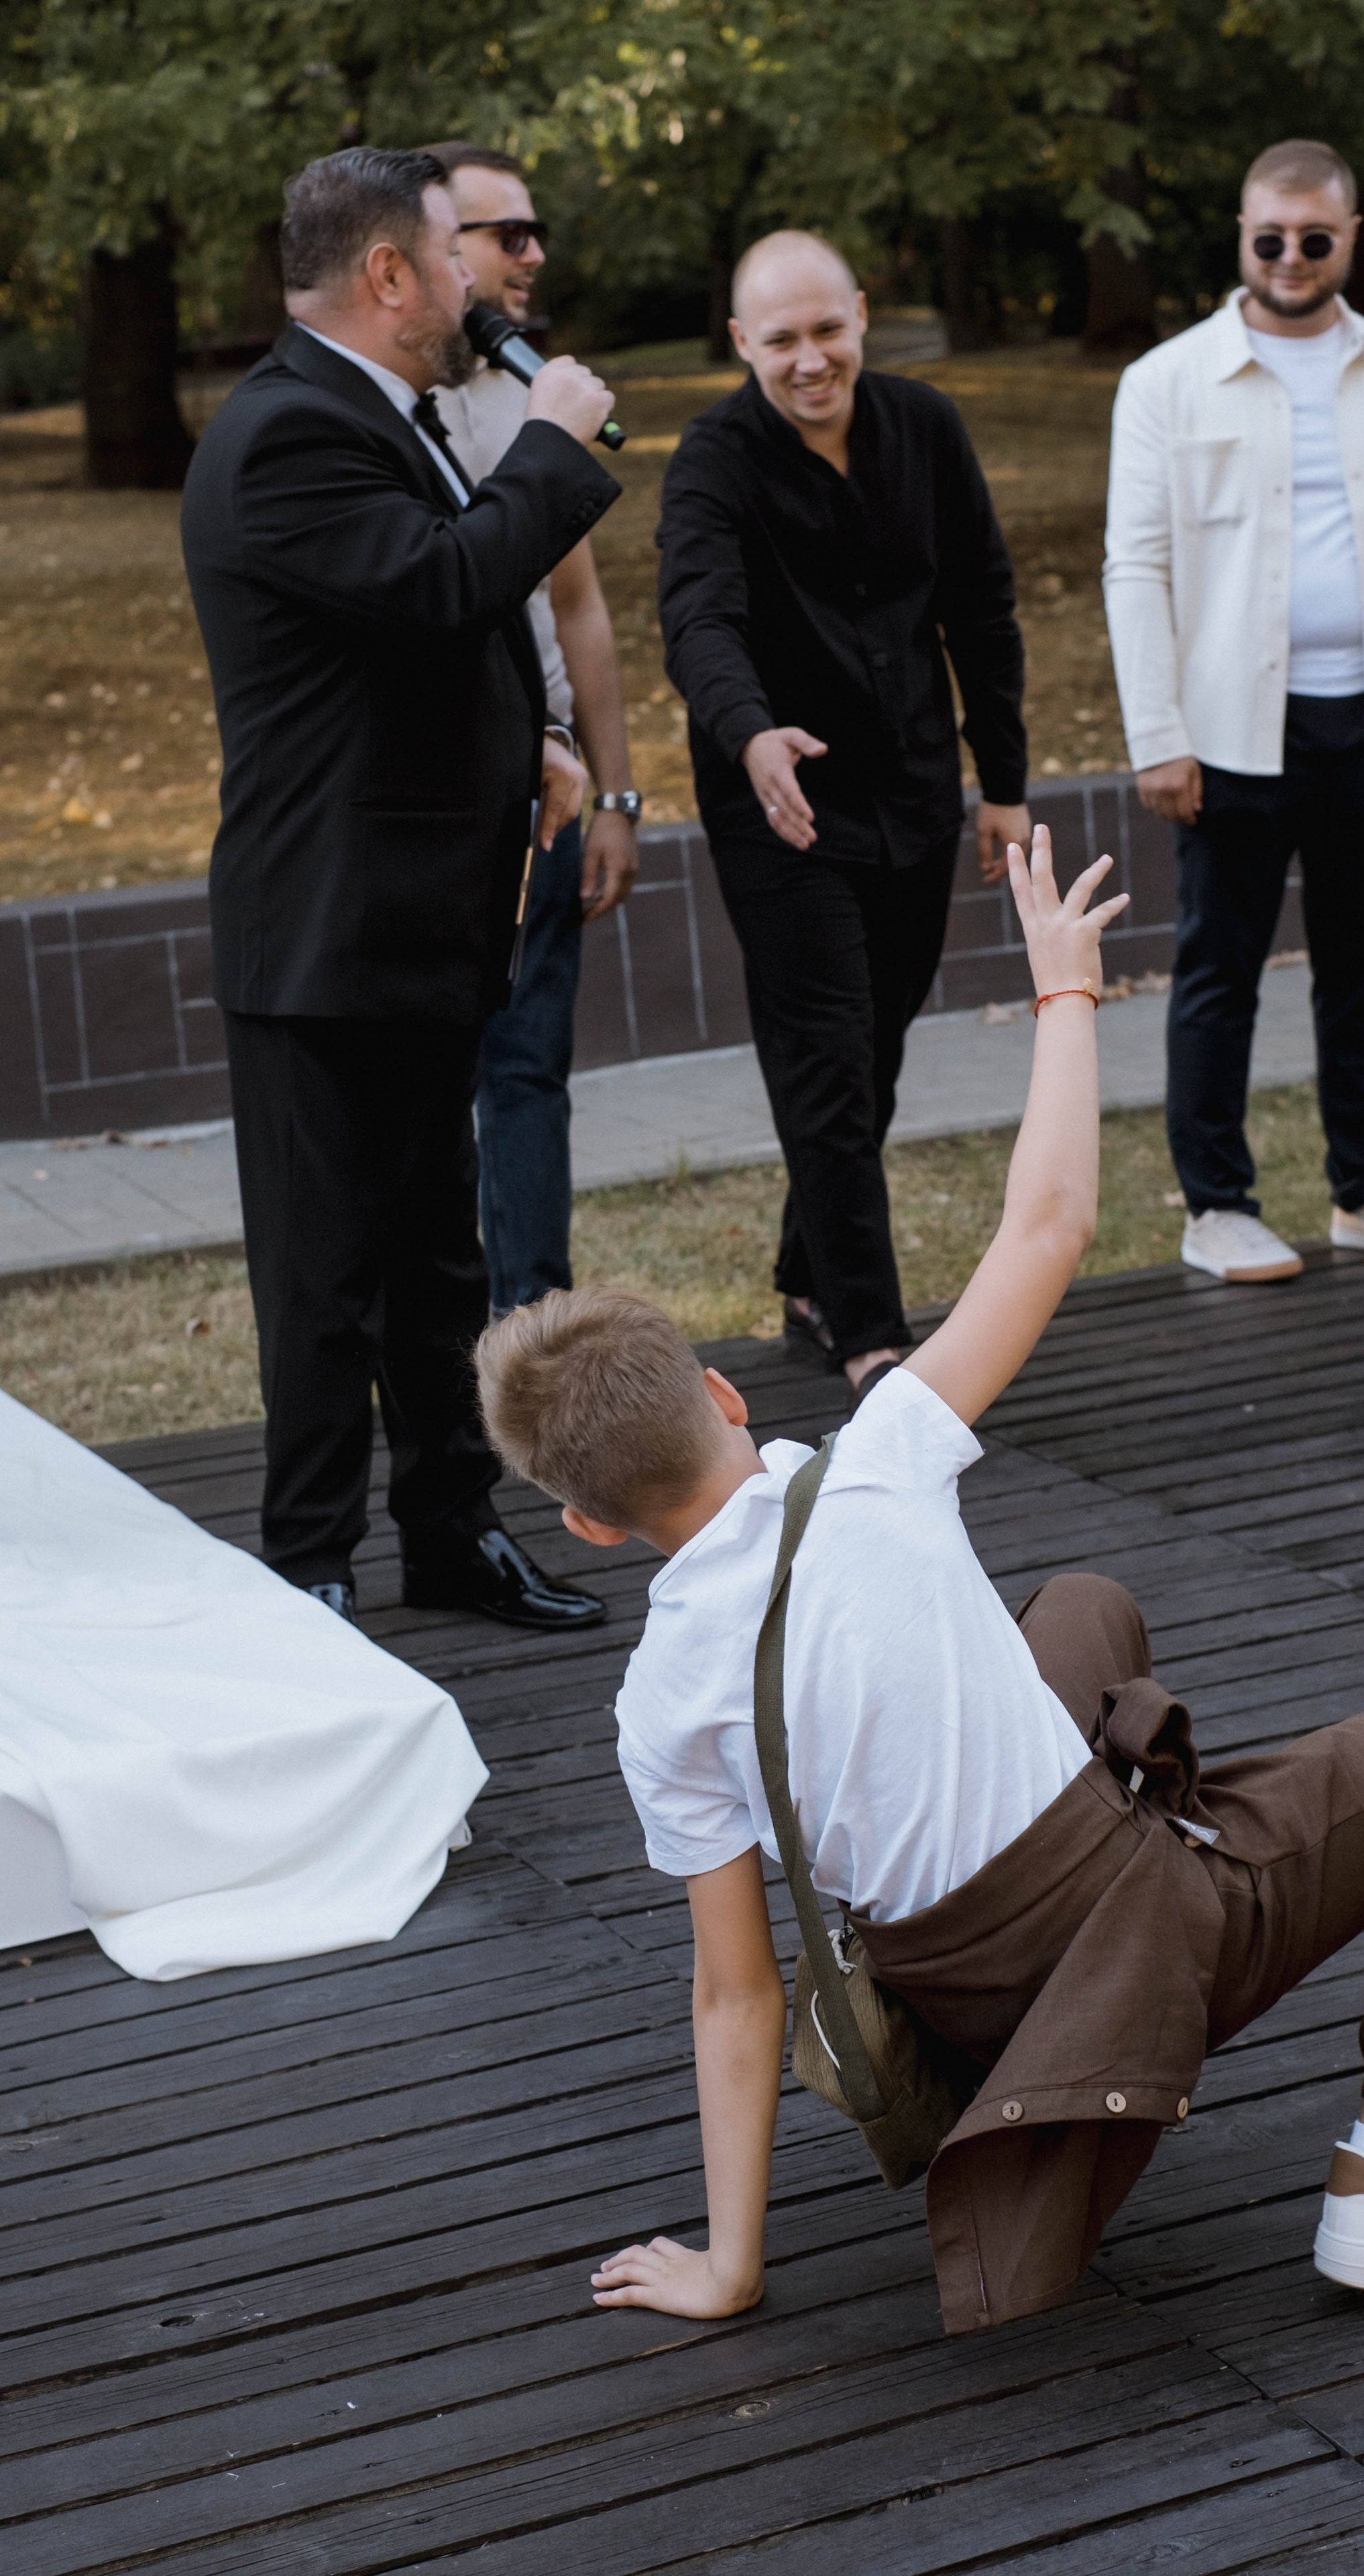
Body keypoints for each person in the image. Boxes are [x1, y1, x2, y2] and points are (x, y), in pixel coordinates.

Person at [475, 825, 1364, 2337]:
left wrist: (728, 2266)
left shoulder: (657, 1695)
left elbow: (733, 1993)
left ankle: (1124, 1886)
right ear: (727, 1398)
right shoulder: (874, 1461)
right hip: (1137, 1926)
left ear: (592, 1529)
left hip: (952, 1986)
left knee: (1082, 1605)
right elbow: (1048, 1223)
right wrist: (1063, 992)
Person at [181, 146, 620, 1632]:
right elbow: (444, 583)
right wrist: (550, 441)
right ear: (386, 276)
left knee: (439, 1260)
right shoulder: (287, 434)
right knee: (322, 1287)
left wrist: (539, 747)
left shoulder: (386, 413)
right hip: (324, 935)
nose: (476, 282)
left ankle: (451, 1536)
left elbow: (425, 636)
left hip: (423, 915)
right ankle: (308, 1573)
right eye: (451, 255)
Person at [1104, 139, 1364, 1285]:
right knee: (1219, 972)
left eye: (1312, 239)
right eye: (1267, 237)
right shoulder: (1167, 381)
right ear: (1241, 235)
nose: (1288, 258)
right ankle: (1215, 1204)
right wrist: (1157, 733)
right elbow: (1136, 567)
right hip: (1227, 735)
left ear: (1349, 238)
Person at [657, 231, 1031, 1398]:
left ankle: (807, 1267)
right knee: (824, 1057)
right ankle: (870, 1334)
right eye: (781, 341)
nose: (811, 360)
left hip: (915, 789)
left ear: (862, 315)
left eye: (829, 330)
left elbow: (982, 609)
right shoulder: (714, 462)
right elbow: (698, 621)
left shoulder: (927, 428)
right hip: (784, 808)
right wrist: (750, 729)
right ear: (741, 345)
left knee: (875, 1051)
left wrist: (1004, 783)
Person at [424, 142, 641, 1318]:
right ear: (425, 249)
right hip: (435, 796)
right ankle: (443, 1340)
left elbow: (581, 605)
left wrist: (619, 794)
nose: (534, 253)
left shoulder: (532, 394)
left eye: (535, 229)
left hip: (551, 795)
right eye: (509, 232)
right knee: (428, 1087)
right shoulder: (386, 409)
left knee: (530, 1072)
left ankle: (538, 1327)